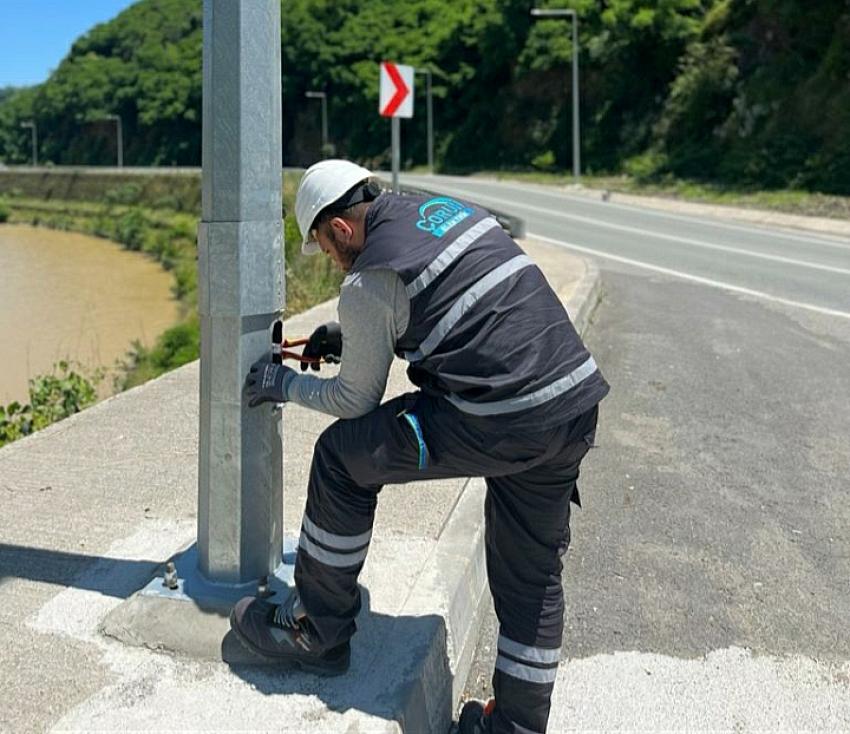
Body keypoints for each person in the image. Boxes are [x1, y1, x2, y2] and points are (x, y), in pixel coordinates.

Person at [230, 160, 609, 733]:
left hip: (499, 419)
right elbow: (460, 309)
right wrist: (351, 338)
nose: (333, 263)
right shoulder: (444, 211)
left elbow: (354, 399)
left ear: (340, 229)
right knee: (531, 578)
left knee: (341, 459)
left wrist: (282, 384)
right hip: (569, 402)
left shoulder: (369, 279)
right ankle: (515, 727)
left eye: (328, 251)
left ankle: (315, 629)